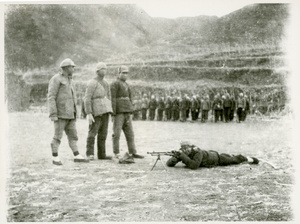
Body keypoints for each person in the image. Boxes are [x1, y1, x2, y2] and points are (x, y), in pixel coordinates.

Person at [48, 58, 89, 165]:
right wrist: (53, 114)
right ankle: (55, 157)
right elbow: (51, 97)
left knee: (73, 135)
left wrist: (76, 112)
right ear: (66, 68)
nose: (74, 69)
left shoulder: (71, 80)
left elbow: (74, 98)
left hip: (71, 114)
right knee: (57, 136)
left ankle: (76, 155)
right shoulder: (56, 79)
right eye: (72, 67)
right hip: (60, 114)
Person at [110, 65, 144, 159]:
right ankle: (116, 152)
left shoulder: (127, 85)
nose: (125, 75)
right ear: (119, 73)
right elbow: (112, 99)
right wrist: (113, 113)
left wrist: (131, 111)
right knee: (116, 133)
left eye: (126, 73)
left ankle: (132, 152)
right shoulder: (114, 84)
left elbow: (130, 98)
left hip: (127, 112)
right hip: (118, 112)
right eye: (123, 73)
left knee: (130, 133)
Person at [84, 62, 113, 160]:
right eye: (102, 69)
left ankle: (102, 154)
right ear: (97, 71)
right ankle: (90, 154)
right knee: (93, 132)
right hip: (95, 111)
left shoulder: (106, 83)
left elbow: (109, 97)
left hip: (105, 110)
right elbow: (87, 98)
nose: (104, 71)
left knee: (103, 133)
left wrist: (110, 110)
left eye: (105, 69)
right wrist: (89, 113)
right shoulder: (92, 83)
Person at [166, 142, 259, 170]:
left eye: (187, 148)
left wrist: (182, 156)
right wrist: (175, 157)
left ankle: (250, 159)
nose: (186, 150)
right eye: (183, 149)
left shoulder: (197, 152)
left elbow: (194, 166)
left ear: (191, 147)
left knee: (233, 160)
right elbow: (168, 164)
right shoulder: (184, 153)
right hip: (211, 155)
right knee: (226, 156)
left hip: (217, 159)